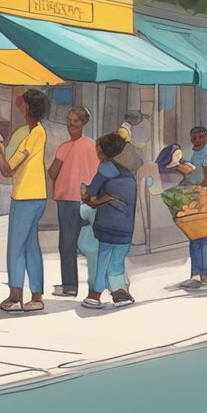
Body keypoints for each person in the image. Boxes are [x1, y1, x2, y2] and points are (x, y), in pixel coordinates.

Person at [0, 89, 50, 313]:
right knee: (30, 246)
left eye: (23, 104)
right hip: (36, 195)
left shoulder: (32, 135)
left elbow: (8, 170)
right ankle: (36, 295)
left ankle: (15, 294)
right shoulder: (37, 131)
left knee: (16, 247)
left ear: (28, 108)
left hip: (25, 196)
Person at [81, 133, 138, 309]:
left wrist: (86, 195)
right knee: (117, 260)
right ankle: (120, 292)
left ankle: (94, 295)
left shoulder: (106, 167)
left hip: (108, 224)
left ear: (101, 149)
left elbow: (91, 193)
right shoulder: (126, 173)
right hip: (126, 226)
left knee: (103, 258)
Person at [48, 107, 98, 298]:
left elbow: (52, 172)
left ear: (83, 123)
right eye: (69, 120)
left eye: (75, 121)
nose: (71, 124)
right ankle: (96, 285)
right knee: (91, 244)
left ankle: (70, 285)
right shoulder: (93, 146)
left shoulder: (64, 147)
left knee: (67, 244)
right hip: (88, 200)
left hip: (69, 200)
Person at [175, 126, 207, 289]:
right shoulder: (197, 153)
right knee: (195, 236)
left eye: (200, 137)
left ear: (206, 138)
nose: (197, 140)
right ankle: (196, 274)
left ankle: (205, 275)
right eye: (194, 138)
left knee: (204, 238)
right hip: (198, 198)